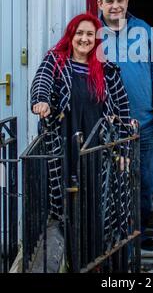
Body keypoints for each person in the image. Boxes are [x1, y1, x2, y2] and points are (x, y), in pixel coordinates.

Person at [30, 13, 131, 242]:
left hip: (98, 145)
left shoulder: (107, 70)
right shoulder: (55, 60)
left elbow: (123, 108)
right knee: (65, 198)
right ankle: (71, 249)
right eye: (79, 33)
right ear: (71, 36)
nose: (84, 39)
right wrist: (41, 100)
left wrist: (123, 151)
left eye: (89, 34)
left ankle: (96, 251)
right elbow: (42, 81)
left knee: (98, 198)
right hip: (64, 142)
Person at [97, 0, 153, 251]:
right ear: (100, 5)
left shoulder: (143, 30)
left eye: (120, 0)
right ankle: (112, 237)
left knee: (145, 183)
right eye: (109, 1)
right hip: (106, 126)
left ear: (127, 2)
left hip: (146, 124)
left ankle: (137, 233)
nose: (115, 6)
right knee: (110, 183)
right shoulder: (89, 31)